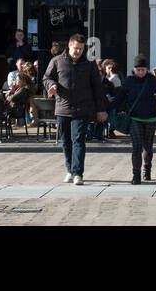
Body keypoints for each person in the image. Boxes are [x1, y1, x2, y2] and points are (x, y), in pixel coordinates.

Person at [42, 33, 107, 185]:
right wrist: (51, 85)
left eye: (81, 49)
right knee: (66, 142)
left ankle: (78, 173)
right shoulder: (57, 61)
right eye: (75, 48)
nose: (78, 51)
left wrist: (101, 109)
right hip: (62, 108)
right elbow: (46, 77)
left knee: (78, 140)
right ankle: (70, 170)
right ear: (69, 46)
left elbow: (97, 87)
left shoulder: (89, 64)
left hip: (82, 108)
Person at [113, 56, 156, 184]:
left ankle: (147, 169)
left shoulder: (152, 80)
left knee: (148, 147)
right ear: (134, 69)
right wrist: (108, 109)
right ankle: (136, 175)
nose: (140, 72)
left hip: (150, 117)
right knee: (137, 146)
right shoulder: (129, 81)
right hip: (134, 117)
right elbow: (120, 97)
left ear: (147, 69)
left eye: (143, 70)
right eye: (138, 69)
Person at [4, 59, 35, 125]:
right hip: (15, 107)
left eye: (17, 80)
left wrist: (8, 95)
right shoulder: (19, 88)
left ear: (21, 81)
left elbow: (12, 98)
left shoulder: (22, 89)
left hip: (16, 109)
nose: (15, 81)